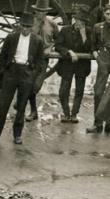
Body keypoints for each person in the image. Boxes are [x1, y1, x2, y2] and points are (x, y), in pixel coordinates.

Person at [0, 12, 44, 145]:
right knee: (2, 105)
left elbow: (40, 62)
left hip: (26, 73)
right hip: (11, 71)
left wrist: (32, 74)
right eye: (23, 26)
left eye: (28, 27)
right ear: (19, 25)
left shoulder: (37, 41)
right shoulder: (11, 38)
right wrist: (3, 73)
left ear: (32, 27)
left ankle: (17, 135)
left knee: (21, 106)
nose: (25, 29)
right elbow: (3, 57)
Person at [55, 5, 92, 123]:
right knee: (63, 91)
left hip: (82, 66)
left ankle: (74, 114)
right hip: (67, 65)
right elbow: (58, 46)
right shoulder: (65, 30)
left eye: (83, 21)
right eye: (78, 20)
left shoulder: (89, 31)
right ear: (75, 19)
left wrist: (83, 34)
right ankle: (66, 113)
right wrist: (69, 52)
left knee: (79, 91)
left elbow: (90, 48)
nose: (80, 23)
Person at [25, 0, 59, 122]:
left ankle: (22, 102)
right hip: (30, 58)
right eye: (39, 11)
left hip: (43, 59)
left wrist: (50, 48)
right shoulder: (30, 23)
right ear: (35, 11)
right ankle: (33, 111)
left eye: (43, 12)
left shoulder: (52, 24)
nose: (41, 14)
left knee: (36, 85)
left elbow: (58, 40)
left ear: (46, 12)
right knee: (29, 83)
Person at [87, 4, 110, 133]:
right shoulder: (98, 27)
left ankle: (109, 123)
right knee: (98, 92)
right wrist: (97, 55)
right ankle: (97, 123)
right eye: (107, 13)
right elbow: (93, 46)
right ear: (104, 14)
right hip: (104, 60)